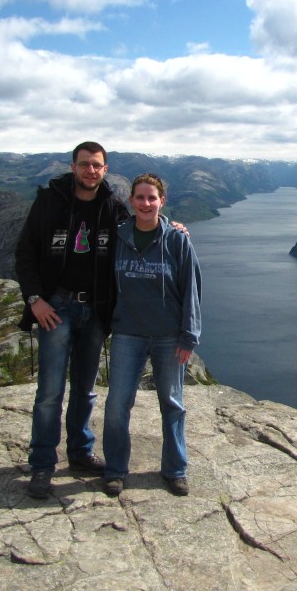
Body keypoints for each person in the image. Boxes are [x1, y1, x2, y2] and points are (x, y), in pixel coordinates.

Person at [15, 141, 129, 499]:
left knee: (85, 389)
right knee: (50, 391)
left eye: (97, 166)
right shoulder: (50, 201)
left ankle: (80, 453)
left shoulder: (113, 207)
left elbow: (143, 232)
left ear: (105, 170)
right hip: (56, 309)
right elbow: (26, 251)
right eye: (84, 165)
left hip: (94, 312)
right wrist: (35, 300)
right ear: (73, 166)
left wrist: (174, 229)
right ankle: (42, 466)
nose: (90, 171)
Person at [102, 173, 202, 497]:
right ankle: (116, 469)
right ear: (131, 201)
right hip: (127, 334)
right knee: (117, 404)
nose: (146, 203)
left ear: (162, 202)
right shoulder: (118, 238)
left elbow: (191, 289)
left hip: (168, 337)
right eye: (140, 198)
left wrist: (189, 336)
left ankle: (175, 469)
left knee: (172, 403)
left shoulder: (177, 240)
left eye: (152, 198)